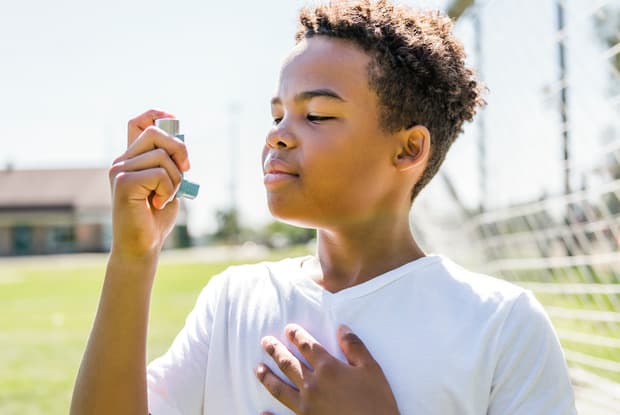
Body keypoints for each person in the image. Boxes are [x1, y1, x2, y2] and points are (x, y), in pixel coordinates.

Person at [70, 1, 577, 414]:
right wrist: (134, 259)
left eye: (315, 114)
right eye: (277, 113)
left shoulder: (501, 324)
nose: (278, 135)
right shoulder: (232, 301)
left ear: (408, 150)